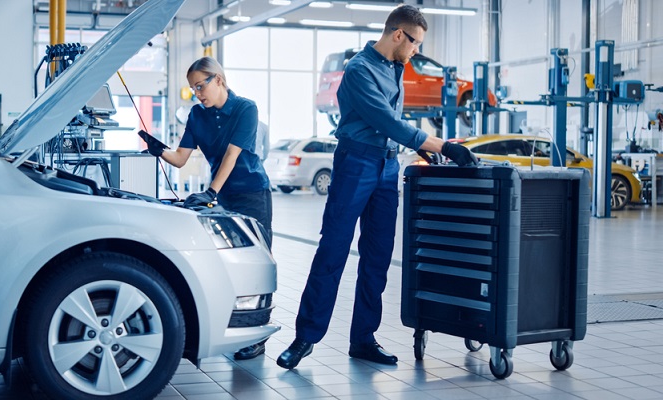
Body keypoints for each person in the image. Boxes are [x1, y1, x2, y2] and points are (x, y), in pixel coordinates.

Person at [276, 4, 477, 369]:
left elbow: (395, 122)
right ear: (398, 34)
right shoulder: (358, 69)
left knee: (378, 257)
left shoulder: (396, 66)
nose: (416, 50)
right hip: (356, 163)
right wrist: (442, 145)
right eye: (414, 42)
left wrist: (417, 146)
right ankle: (305, 337)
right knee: (333, 251)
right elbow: (385, 119)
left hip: (386, 166)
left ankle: (363, 339)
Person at [140, 56, 273, 360]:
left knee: (257, 262)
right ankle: (236, 327)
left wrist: (210, 191)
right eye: (193, 89)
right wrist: (157, 149)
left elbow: (231, 154)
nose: (198, 93)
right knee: (232, 262)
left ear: (219, 80)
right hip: (224, 195)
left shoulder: (245, 108)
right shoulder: (197, 116)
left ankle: (257, 334)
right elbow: (180, 158)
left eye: (201, 86)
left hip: (252, 192)